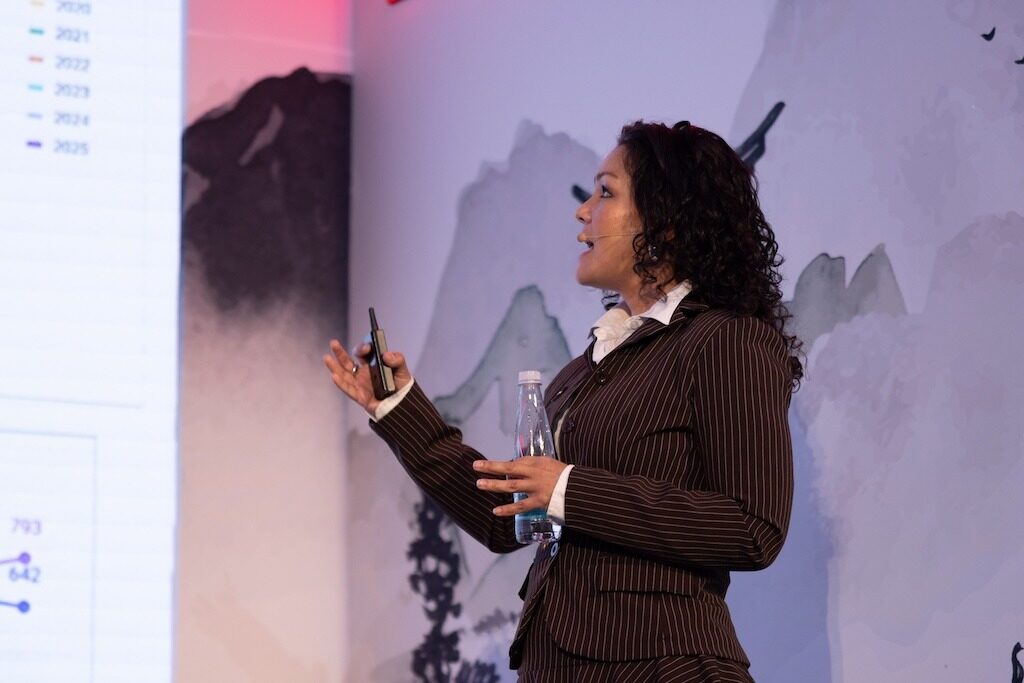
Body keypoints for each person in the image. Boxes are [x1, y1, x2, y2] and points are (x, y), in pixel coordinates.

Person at [325, 120, 801, 682]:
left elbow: (752, 525)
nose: (583, 211)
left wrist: (568, 490)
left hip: (666, 665)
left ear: (666, 222)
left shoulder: (726, 338)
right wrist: (397, 406)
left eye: (606, 192)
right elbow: (508, 519)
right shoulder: (585, 369)